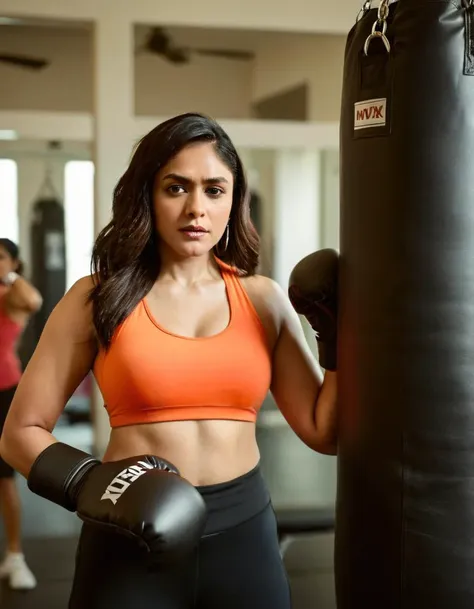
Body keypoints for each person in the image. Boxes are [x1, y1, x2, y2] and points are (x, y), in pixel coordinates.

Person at [0, 113, 338, 609]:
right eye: (176, 188)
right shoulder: (97, 298)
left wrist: (336, 337)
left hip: (243, 533)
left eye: (214, 190)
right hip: (128, 536)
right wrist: (95, 485)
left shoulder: (263, 300)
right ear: (147, 195)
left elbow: (322, 430)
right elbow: (18, 433)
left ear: (233, 200)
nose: (196, 208)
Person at [0, 238, 42, 590]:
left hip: (3, 393)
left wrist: (8, 276)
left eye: (0, 257)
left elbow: (34, 300)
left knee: (4, 481)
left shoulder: (11, 297)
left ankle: (15, 556)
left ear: (13, 262)